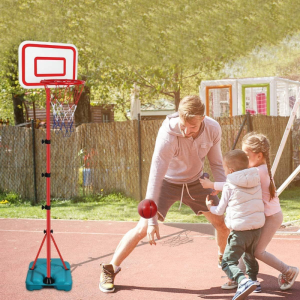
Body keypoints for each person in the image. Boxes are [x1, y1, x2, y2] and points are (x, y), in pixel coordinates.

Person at [99, 95, 229, 293]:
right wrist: (152, 220)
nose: (186, 131)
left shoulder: (212, 128)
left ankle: (223, 257)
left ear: (202, 118)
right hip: (166, 184)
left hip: (196, 182)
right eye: (183, 125)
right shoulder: (167, 134)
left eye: (192, 127)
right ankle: (110, 268)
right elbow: (155, 176)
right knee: (143, 227)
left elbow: (217, 164)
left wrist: (222, 189)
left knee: (221, 223)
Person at [201, 132, 299, 292]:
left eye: (246, 155)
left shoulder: (256, 172)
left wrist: (211, 184)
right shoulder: (258, 169)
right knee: (247, 246)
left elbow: (232, 182)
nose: (244, 159)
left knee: (257, 251)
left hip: (271, 217)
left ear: (259, 155)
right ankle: (236, 278)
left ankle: (289, 271)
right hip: (266, 215)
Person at [206, 149, 265, 300]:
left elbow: (219, 210)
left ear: (230, 170)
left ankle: (242, 281)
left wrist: (209, 207)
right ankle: (253, 281)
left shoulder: (229, 184)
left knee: (227, 261)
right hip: (256, 228)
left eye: (225, 169)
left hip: (240, 230)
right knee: (249, 256)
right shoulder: (255, 178)